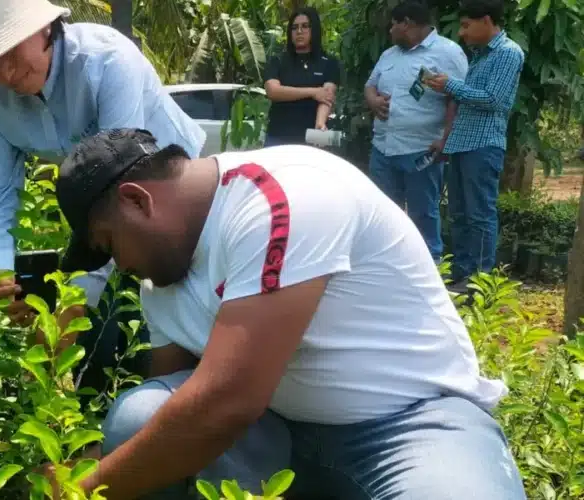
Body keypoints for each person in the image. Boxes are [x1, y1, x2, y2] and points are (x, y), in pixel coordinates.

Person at [49, 128, 525, 499]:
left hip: (407, 425)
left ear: (137, 199)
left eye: (110, 245)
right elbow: (171, 415)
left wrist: (79, 494)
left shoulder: (281, 197)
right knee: (139, 416)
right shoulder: (161, 278)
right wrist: (90, 462)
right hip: (277, 429)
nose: (123, 268)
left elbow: (223, 404)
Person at [0, 0, 207, 394]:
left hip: (172, 198)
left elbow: (120, 194)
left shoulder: (107, 61)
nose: (7, 72)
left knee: (171, 326)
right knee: (101, 344)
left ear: (44, 28)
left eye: (11, 49)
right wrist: (4, 273)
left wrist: (67, 311)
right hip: (108, 204)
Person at [424, 0, 524, 289]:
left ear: (487, 20)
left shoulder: (508, 53)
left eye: (467, 25)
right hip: (462, 144)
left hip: (484, 145)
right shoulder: (479, 56)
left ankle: (480, 279)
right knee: (459, 212)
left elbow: (493, 100)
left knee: (480, 214)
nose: (463, 33)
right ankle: (462, 271)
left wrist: (450, 85)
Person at [364, 1, 468, 263]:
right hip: (383, 147)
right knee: (383, 213)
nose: (390, 31)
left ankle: (430, 269)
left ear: (406, 24)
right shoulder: (389, 55)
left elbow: (457, 99)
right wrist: (374, 101)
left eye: (393, 25)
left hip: (421, 150)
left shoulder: (448, 52)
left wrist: (446, 139)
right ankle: (386, 267)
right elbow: (370, 86)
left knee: (423, 213)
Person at [261, 7, 341, 147]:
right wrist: (313, 92)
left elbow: (326, 96)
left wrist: (320, 123)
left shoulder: (329, 63)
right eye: (294, 27)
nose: (299, 31)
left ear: (314, 30)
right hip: (278, 138)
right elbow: (273, 91)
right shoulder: (278, 60)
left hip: (310, 140)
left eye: (305, 26)